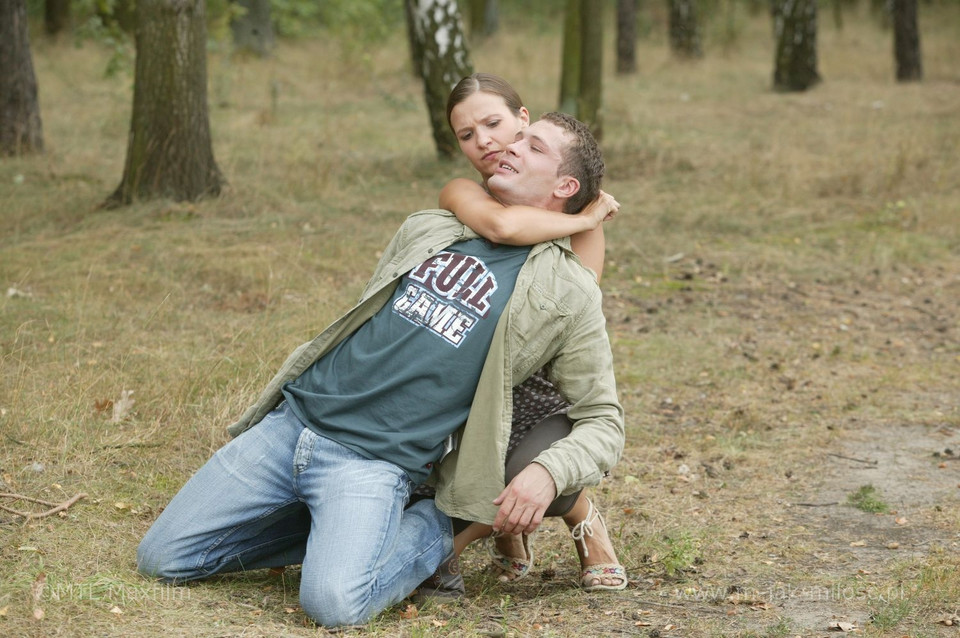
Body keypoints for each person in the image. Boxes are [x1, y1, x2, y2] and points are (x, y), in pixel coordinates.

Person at [136, 110, 624, 628]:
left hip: (373, 464)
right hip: (292, 426)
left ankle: (433, 527)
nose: (511, 146)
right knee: (161, 559)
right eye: (518, 136)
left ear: (565, 185)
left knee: (334, 605)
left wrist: (549, 473)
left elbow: (603, 419)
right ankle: (337, 535)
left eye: (534, 146)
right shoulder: (432, 226)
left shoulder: (567, 291)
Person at [412, 73, 626, 594]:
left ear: (523, 118)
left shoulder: (571, 210)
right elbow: (504, 229)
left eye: (494, 124)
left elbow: (568, 315)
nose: (484, 141)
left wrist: (584, 220)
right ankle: (497, 532)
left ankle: (581, 517)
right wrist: (586, 214)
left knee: (524, 470)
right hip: (464, 379)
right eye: (466, 135)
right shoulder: (466, 194)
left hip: (534, 384)